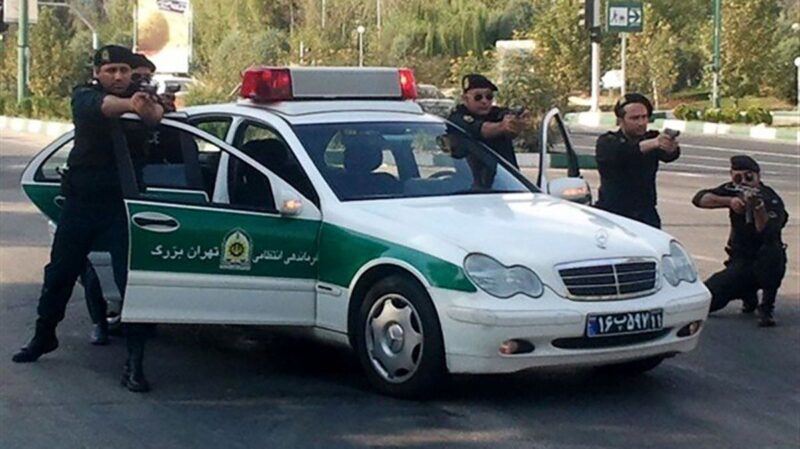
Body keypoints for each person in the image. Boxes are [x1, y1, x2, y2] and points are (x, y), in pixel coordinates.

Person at [12, 45, 164, 392]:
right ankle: (43, 336)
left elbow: (156, 117)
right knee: (59, 274)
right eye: (110, 70)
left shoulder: (144, 96)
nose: (118, 76)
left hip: (122, 206)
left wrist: (147, 105)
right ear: (97, 73)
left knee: (132, 283)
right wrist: (132, 105)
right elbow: (105, 107)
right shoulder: (86, 95)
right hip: (81, 204)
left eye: (123, 70)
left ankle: (135, 363)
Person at [79, 52, 175, 347]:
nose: (139, 81)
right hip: (89, 197)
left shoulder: (150, 105)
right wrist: (134, 105)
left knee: (129, 271)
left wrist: (159, 106)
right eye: (138, 75)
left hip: (134, 198)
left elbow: (168, 136)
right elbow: (106, 106)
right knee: (85, 265)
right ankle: (99, 322)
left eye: (146, 77)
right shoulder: (99, 98)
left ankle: (137, 337)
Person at [692, 155, 788, 327]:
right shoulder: (732, 190)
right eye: (738, 177)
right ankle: (746, 292)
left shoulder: (770, 198)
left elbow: (767, 230)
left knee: (772, 253)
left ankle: (767, 306)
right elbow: (699, 199)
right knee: (706, 300)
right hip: (741, 261)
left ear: (758, 176)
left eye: (748, 177)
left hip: (763, 259)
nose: (743, 181)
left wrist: (757, 208)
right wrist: (729, 201)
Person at [594, 93, 680, 228]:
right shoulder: (607, 141)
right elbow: (624, 152)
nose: (641, 123)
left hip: (646, 214)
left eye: (644, 117)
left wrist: (670, 147)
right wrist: (655, 143)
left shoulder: (652, 137)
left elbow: (669, 155)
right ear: (621, 120)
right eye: (634, 118)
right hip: (613, 215)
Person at [447, 74, 526, 169]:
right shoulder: (457, 119)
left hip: (505, 177)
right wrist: (502, 127)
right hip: (469, 177)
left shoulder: (497, 113)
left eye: (489, 96)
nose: (484, 101)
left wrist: (517, 120)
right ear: (465, 99)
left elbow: (511, 123)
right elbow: (483, 130)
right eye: (478, 97)